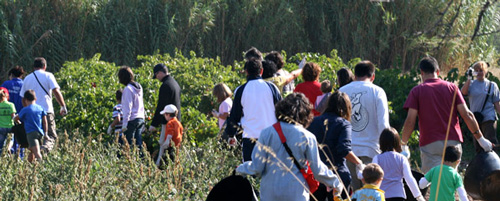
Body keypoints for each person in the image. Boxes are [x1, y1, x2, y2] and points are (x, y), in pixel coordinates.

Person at [236, 93, 343, 200]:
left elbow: (257, 167)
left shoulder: (266, 133)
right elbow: (318, 170)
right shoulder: (307, 137)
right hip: (296, 193)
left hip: (270, 193)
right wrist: (335, 182)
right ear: (305, 114)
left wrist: (240, 169)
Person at [401, 56, 493, 173]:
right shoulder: (452, 87)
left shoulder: (417, 91)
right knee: (450, 181)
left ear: (421, 72)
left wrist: (403, 144)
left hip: (430, 145)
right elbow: (467, 115)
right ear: (438, 71)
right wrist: (481, 139)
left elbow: (410, 121)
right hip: (453, 142)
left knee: (434, 183)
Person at [339, 60, 390, 190]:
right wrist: (387, 151)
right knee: (372, 193)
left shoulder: (342, 91)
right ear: (373, 76)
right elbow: (383, 124)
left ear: (355, 76)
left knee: (355, 194)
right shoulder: (378, 91)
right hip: (372, 151)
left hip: (348, 152)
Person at [307, 91, 365, 200]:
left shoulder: (313, 122)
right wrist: (359, 162)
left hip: (316, 174)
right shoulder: (344, 124)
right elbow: (344, 149)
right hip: (338, 174)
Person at [225, 59, 282, 162]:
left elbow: (234, 115)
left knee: (250, 172)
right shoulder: (272, 88)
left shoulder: (240, 90)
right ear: (261, 71)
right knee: (271, 173)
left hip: (250, 138)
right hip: (271, 137)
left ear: (246, 72)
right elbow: (282, 111)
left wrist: (231, 134)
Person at [20, 57, 67, 153]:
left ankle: (35, 162)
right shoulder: (48, 75)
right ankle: (44, 149)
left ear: (34, 67)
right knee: (50, 136)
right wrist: (63, 106)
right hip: (46, 110)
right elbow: (55, 91)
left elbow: (23, 98)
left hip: (32, 113)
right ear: (44, 66)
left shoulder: (27, 78)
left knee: (35, 138)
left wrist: (27, 110)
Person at [372, 128, 424, 201]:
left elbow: (373, 178)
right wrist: (418, 196)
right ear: (397, 142)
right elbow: (409, 178)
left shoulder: (377, 158)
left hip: (382, 196)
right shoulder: (402, 158)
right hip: (399, 195)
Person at [461, 61, 500, 151]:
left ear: (485, 71)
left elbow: (497, 104)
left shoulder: (492, 85)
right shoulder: (470, 84)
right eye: (476, 71)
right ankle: (480, 164)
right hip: (475, 119)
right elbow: (463, 93)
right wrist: (469, 79)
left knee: (490, 143)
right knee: (478, 145)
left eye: (481, 70)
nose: (479, 73)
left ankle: (493, 164)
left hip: (489, 118)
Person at [149, 63, 181, 136]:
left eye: (156, 75)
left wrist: (154, 124)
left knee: (164, 145)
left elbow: (161, 105)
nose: (157, 78)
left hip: (168, 122)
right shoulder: (175, 83)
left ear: (159, 73)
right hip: (177, 120)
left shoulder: (165, 86)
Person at [118, 66, 145, 149]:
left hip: (131, 120)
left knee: (128, 145)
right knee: (138, 144)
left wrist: (124, 124)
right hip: (140, 119)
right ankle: (141, 161)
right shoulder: (139, 87)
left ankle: (127, 161)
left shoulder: (128, 89)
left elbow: (127, 108)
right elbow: (141, 105)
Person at [15, 90, 46, 162]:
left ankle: (42, 167)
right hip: (40, 132)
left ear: (25, 100)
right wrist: (46, 133)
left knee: (37, 152)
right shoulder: (40, 108)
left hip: (31, 133)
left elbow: (16, 118)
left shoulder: (25, 109)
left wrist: (18, 122)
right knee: (31, 150)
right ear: (35, 99)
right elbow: (45, 122)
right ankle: (29, 166)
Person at [2, 66, 25, 156]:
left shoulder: (6, 84)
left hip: (7, 116)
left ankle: (6, 156)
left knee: (7, 138)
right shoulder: (24, 84)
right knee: (20, 139)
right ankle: (19, 157)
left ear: (11, 75)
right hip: (21, 115)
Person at [0, 87, 16, 154]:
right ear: (7, 96)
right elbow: (13, 117)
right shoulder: (11, 105)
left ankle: (2, 154)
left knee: (1, 142)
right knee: (11, 140)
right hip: (10, 127)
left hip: (1, 127)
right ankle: (8, 148)